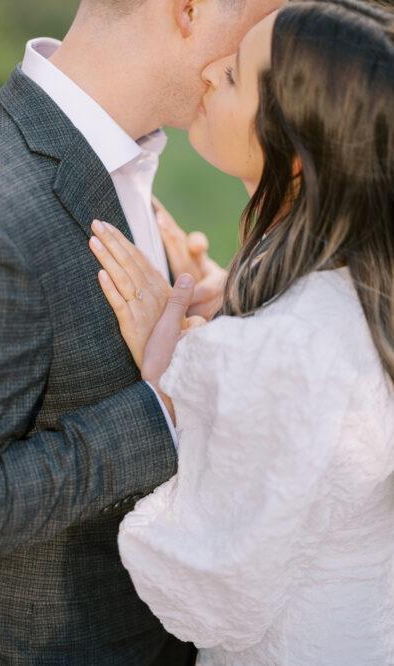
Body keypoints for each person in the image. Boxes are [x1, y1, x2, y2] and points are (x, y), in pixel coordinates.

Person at [0, 0, 284, 664]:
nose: (263, 55)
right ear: (188, 10)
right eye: (258, 24)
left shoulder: (111, 154)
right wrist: (161, 409)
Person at [88, 1, 394, 663]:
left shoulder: (289, 348)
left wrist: (168, 382)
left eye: (233, 78)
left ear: (296, 156)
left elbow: (206, 581)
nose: (210, 70)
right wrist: (235, 299)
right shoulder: (358, 286)